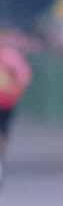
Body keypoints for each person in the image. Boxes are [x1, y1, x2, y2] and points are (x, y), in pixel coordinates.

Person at [0, 32, 29, 189]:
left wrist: (15, 91)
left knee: (2, 135)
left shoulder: (11, 57)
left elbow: (23, 77)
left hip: (5, 103)